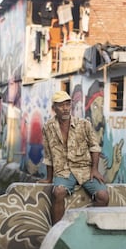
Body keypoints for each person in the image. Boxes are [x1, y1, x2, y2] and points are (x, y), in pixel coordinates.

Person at [39, 90, 109, 224]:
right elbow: (48, 154)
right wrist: (49, 178)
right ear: (54, 108)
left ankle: (92, 228)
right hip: (63, 170)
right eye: (61, 105)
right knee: (58, 192)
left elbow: (95, 147)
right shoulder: (48, 127)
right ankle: (57, 231)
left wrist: (94, 169)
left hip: (85, 169)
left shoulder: (84, 124)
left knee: (103, 196)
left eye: (67, 104)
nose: (65, 109)